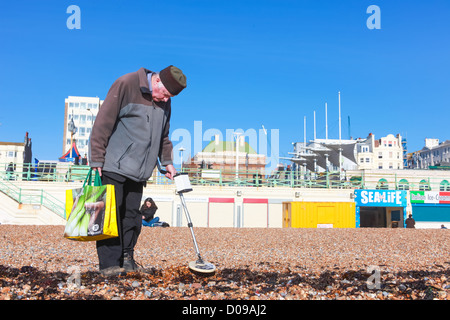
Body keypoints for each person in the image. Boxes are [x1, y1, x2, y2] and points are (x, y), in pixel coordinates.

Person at [89, 66, 187, 276]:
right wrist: (96, 157)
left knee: (132, 217)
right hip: (114, 165)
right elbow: (102, 122)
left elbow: (163, 136)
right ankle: (109, 265)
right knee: (111, 216)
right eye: (165, 94)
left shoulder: (165, 102)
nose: (165, 100)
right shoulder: (126, 83)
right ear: (158, 81)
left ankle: (127, 259)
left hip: (140, 171)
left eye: (170, 97)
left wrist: (167, 161)